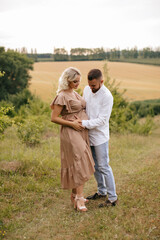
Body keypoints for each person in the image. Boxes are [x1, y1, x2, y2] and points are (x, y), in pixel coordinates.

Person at [50, 67, 95, 212]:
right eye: (74, 81)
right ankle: (79, 197)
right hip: (70, 132)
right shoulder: (62, 96)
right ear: (67, 80)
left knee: (79, 162)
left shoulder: (74, 93)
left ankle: (75, 194)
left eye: (78, 81)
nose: (77, 84)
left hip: (81, 131)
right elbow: (54, 118)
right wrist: (72, 124)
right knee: (80, 162)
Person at [75, 69, 118, 207]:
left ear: (101, 82)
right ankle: (101, 191)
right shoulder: (87, 89)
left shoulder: (107, 96)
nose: (91, 88)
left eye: (94, 85)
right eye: (89, 85)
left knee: (104, 166)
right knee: (95, 166)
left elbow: (102, 120)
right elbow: (84, 107)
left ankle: (112, 198)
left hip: (100, 137)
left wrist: (83, 123)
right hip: (88, 134)